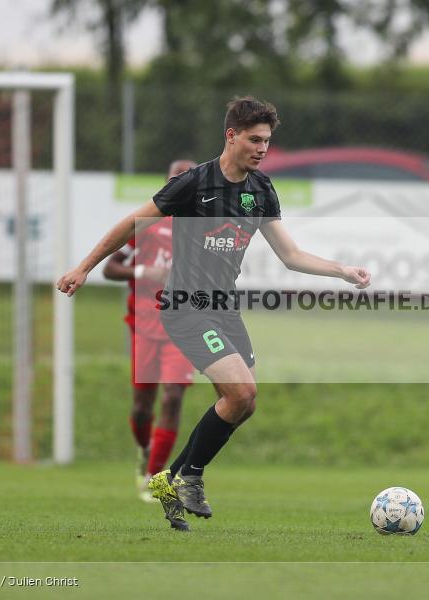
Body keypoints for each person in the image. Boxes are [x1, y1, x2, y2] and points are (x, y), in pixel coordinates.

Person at [57, 96, 370, 531]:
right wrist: (83, 268)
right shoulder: (193, 183)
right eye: (255, 139)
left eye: (268, 141)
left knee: (245, 402)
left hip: (224, 309)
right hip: (186, 308)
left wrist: (342, 270)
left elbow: (291, 255)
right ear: (231, 135)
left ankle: (170, 478)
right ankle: (191, 477)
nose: (263, 149)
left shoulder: (260, 190)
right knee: (239, 394)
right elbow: (132, 224)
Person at [102, 159, 197, 503]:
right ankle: (144, 451)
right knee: (143, 407)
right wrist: (145, 272)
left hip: (184, 327)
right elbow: (110, 269)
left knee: (172, 397)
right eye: (176, 180)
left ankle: (155, 479)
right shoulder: (146, 224)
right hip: (144, 327)